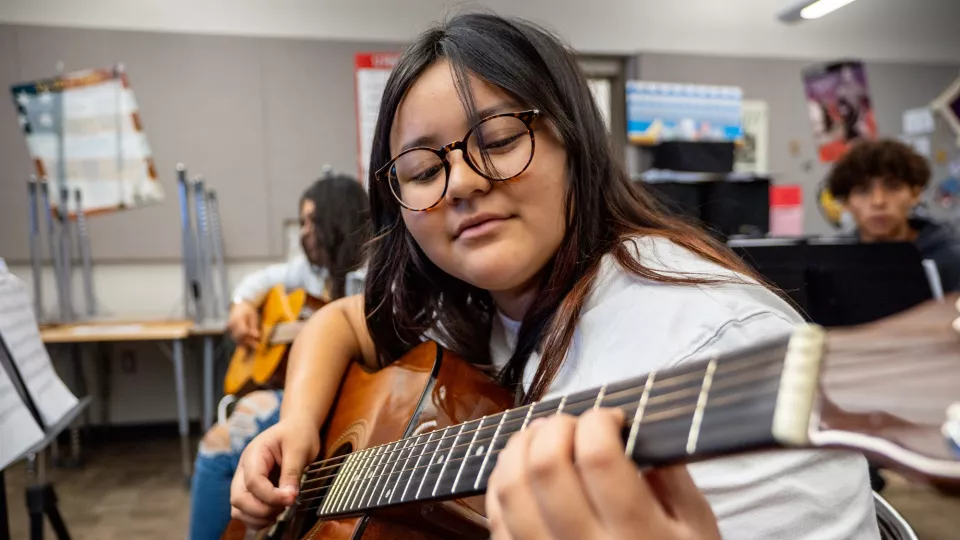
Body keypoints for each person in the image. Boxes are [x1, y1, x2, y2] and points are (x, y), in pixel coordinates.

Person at [230, 13, 878, 539]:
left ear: (575, 139)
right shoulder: (476, 301)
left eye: (501, 137)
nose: (461, 182)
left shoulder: (720, 343)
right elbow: (341, 322)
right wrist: (297, 424)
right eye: (424, 172)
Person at [188, 174, 370, 540]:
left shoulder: (372, 271)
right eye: (300, 222)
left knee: (220, 440)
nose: (303, 232)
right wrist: (242, 307)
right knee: (238, 417)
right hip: (307, 397)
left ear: (336, 219)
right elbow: (259, 281)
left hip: (351, 394)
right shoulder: (308, 270)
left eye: (310, 221)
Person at [827, 138, 960, 292]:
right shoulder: (833, 263)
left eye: (893, 186)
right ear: (845, 202)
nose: (878, 201)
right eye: (863, 190)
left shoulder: (952, 258)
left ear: (915, 194)